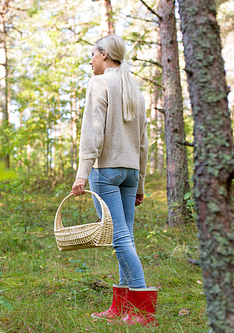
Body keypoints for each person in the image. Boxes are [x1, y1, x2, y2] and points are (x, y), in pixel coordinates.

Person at [71, 35, 157, 327]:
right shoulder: (135, 90)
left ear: (105, 55)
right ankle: (121, 308)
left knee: (119, 240)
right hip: (131, 172)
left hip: (106, 171)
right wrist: (141, 183)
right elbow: (144, 144)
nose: (91, 60)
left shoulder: (99, 83)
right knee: (126, 238)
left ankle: (144, 309)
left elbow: (92, 133)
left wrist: (82, 172)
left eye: (93, 55)